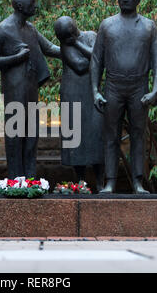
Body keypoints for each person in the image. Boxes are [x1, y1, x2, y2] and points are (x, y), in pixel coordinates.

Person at [90, 0, 157, 194]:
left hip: (138, 87)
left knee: (138, 136)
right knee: (110, 136)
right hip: (113, 86)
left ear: (137, 0)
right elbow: (96, 60)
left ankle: (138, 182)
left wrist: (155, 89)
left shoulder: (149, 27)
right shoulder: (107, 25)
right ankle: (111, 181)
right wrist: (95, 90)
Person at [0, 0, 60, 179]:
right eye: (32, 3)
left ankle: (30, 178)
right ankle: (15, 179)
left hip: (30, 90)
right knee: (15, 136)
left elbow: (50, 48)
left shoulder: (30, 29)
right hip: (14, 91)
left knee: (31, 136)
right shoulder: (3, 29)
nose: (35, 6)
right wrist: (16, 58)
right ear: (20, 7)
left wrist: (74, 47)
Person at [54, 16, 104, 191]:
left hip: (92, 93)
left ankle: (100, 182)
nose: (68, 36)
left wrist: (76, 43)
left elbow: (98, 57)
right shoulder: (65, 45)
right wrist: (75, 46)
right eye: (64, 35)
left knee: (97, 136)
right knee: (76, 138)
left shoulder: (90, 35)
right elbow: (81, 66)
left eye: (69, 31)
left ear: (75, 26)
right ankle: (81, 181)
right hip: (73, 92)